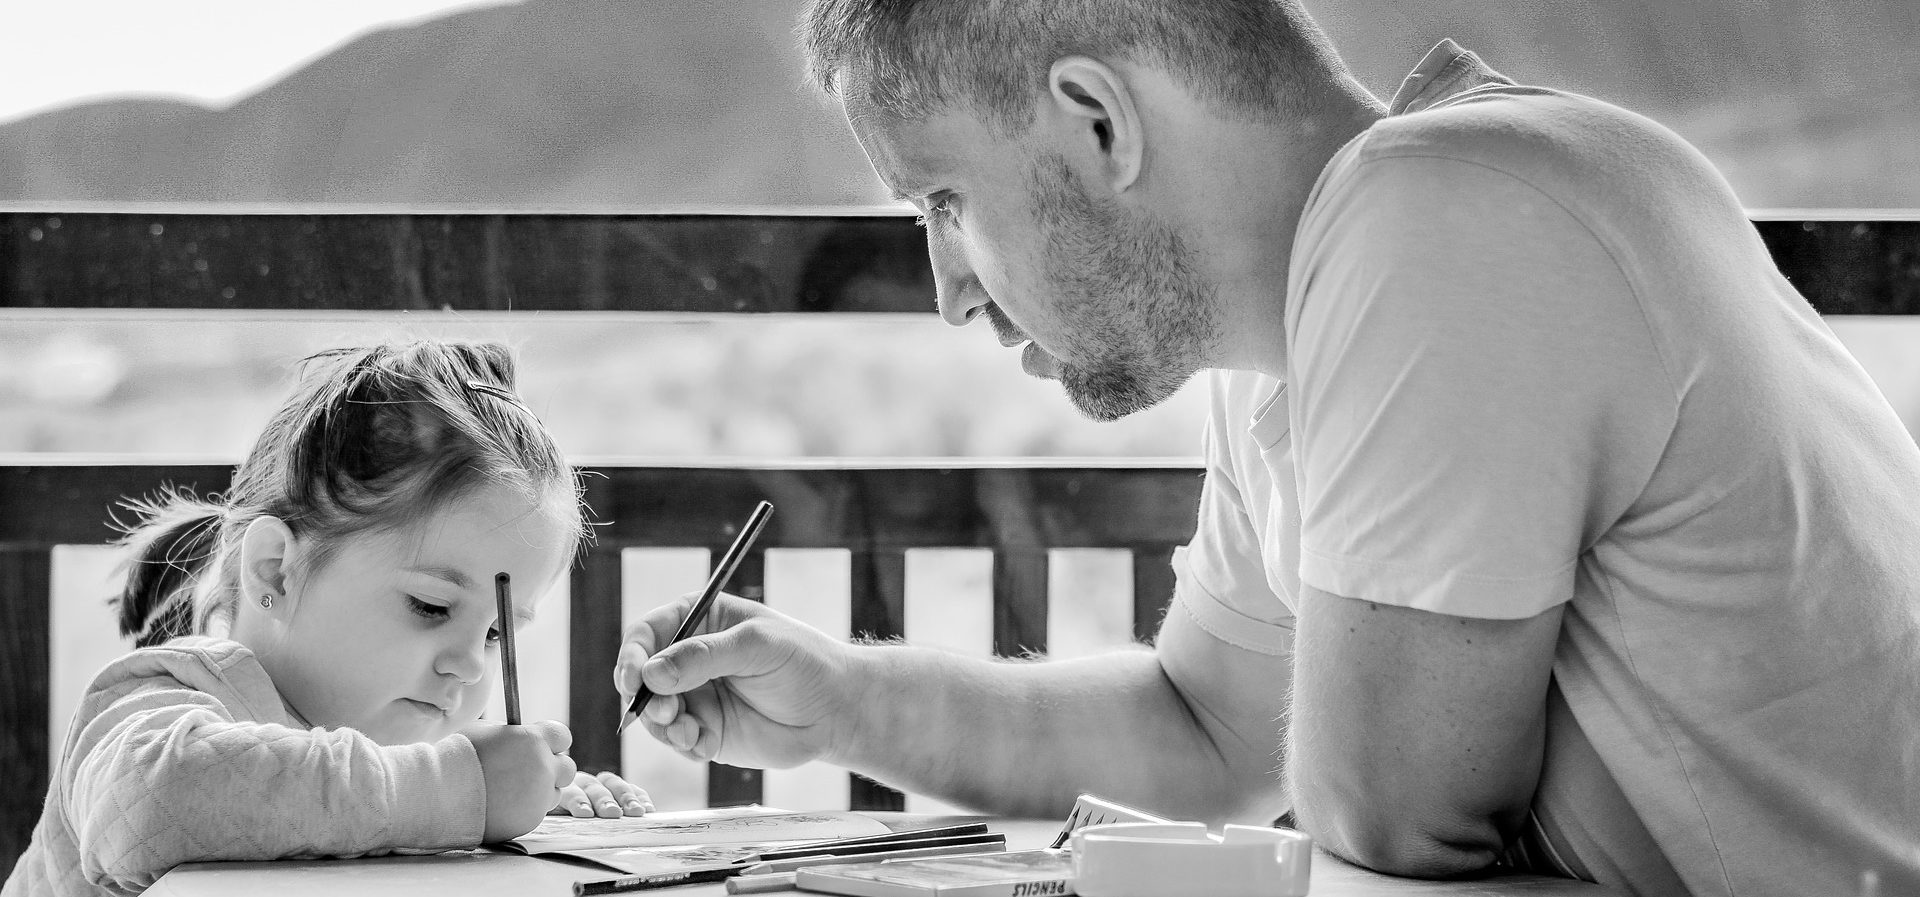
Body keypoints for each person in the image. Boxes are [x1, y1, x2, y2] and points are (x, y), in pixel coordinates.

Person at [614, 2, 1920, 896]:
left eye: (945, 202)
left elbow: (1387, 822)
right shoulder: (1306, 327)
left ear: (1097, 121)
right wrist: (842, 695)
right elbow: (1202, 733)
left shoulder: (1444, 213)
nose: (951, 289)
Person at [4, 339, 652, 897]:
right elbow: (149, 805)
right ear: (274, 570)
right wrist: (459, 790)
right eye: (430, 605)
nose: (470, 663)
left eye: (493, 633)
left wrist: (528, 805)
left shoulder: (399, 755)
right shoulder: (164, 702)